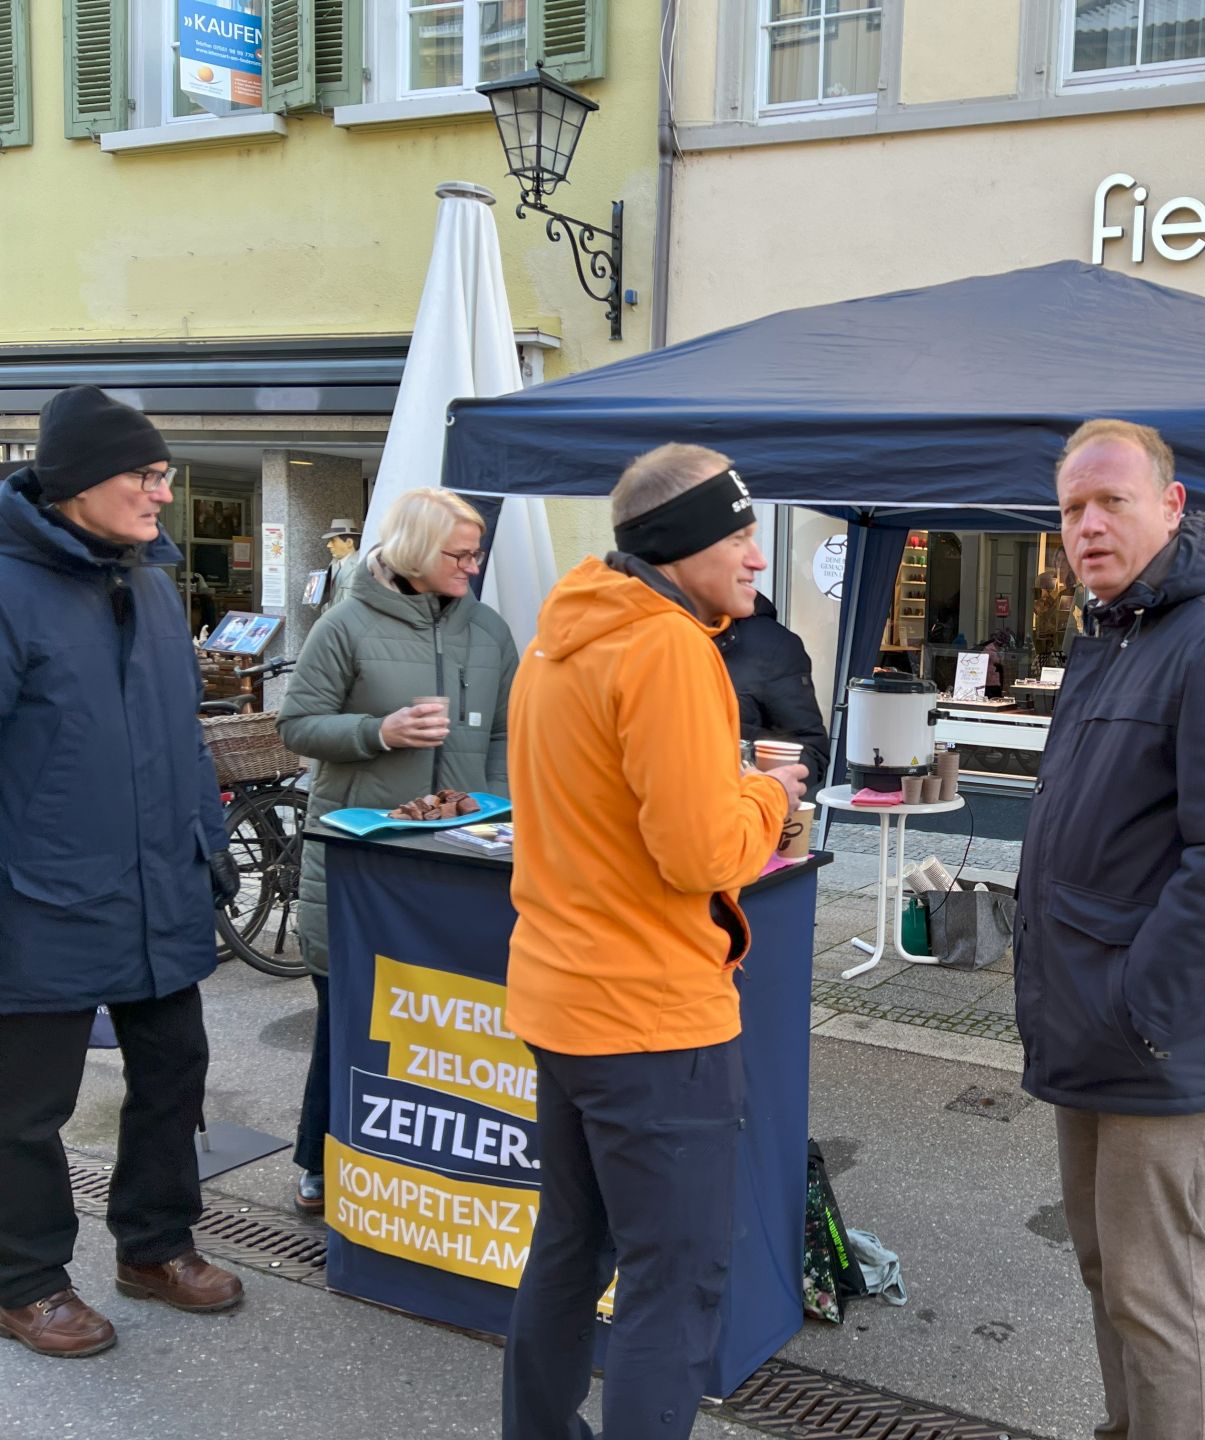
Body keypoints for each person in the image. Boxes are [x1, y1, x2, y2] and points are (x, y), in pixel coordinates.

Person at [501, 444, 805, 1440]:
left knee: (571, 1249)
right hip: (652, 1021)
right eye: (743, 534)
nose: (757, 557)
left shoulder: (563, 635)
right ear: (684, 545)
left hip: (564, 1003)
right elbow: (699, 851)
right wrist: (769, 794)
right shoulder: (667, 647)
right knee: (672, 1287)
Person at [1015, 418, 1205, 1440]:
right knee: (1105, 1266)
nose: (1087, 526)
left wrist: (1140, 1006)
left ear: (1171, 506)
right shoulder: (1118, 630)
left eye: (1111, 502)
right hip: (1095, 1016)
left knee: (1150, 1285)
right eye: (1071, 510)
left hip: (1157, 1033)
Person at [0, 385, 246, 1359]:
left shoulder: (144, 579)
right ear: (77, 485)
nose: (162, 493)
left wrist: (208, 844)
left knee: (176, 1069)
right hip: (37, 902)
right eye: (145, 476)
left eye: (164, 474)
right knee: (26, 1109)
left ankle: (154, 1246)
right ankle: (25, 1281)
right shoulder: (9, 586)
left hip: (157, 885)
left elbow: (180, 735)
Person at [276, 488, 517, 1217]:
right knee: (346, 1013)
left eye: (477, 553)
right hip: (358, 865)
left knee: (435, 1022)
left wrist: (497, 799)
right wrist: (377, 733)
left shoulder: (490, 631)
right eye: (460, 554)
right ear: (415, 551)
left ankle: (415, 1169)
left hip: (457, 863)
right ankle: (317, 1161)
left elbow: (506, 731)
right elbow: (297, 724)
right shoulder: (345, 624)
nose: (473, 567)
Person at [718, 591, 831, 799]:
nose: (755, 562)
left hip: (739, 814)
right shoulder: (652, 631)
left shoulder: (772, 645)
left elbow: (809, 748)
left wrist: (767, 779)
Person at [316, 518, 362, 611]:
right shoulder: (333, 565)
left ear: (349, 542)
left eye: (333, 540)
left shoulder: (361, 567)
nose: (328, 545)